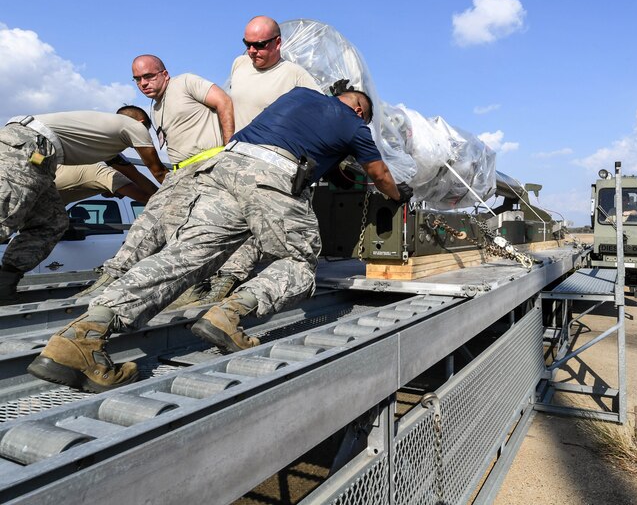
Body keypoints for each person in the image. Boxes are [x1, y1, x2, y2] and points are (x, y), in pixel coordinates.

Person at [29, 87, 412, 392]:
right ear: (360, 110)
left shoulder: (299, 96)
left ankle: (83, 333)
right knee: (297, 262)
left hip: (223, 168)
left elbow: (306, 140)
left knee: (185, 257)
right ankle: (229, 314)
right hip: (271, 177)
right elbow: (378, 175)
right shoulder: (353, 124)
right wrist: (398, 195)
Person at [176, 16, 323, 307]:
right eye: (247, 44)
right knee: (214, 221)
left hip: (271, 167)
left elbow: (320, 116)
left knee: (256, 228)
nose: (252, 51)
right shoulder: (240, 64)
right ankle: (199, 281)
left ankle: (226, 282)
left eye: (260, 45)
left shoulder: (296, 76)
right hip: (236, 160)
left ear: (278, 43)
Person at [78, 55, 235, 297]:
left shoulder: (185, 82)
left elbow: (224, 101)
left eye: (149, 76)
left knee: (206, 228)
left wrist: (229, 150)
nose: (143, 83)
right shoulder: (156, 107)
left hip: (211, 164)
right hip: (181, 172)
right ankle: (116, 275)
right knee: (153, 220)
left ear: (164, 74)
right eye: (137, 79)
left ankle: (200, 284)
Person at [0, 107, 167, 300]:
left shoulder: (104, 144)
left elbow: (136, 176)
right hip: (28, 147)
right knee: (4, 217)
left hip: (41, 158)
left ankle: (4, 284)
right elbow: (158, 171)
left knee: (52, 222)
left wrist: (161, 196)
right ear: (140, 124)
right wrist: (176, 197)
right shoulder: (132, 125)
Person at [55, 158, 158, 204]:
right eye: (119, 193)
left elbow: (40, 159)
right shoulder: (110, 174)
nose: (120, 197)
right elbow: (144, 198)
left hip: (44, 193)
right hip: (41, 192)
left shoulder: (87, 161)